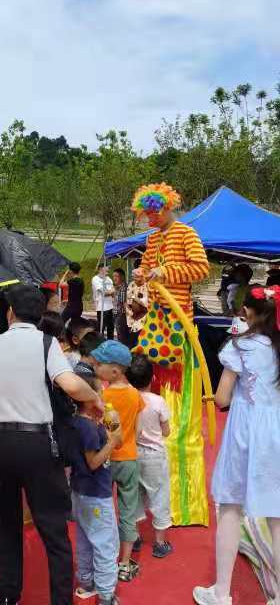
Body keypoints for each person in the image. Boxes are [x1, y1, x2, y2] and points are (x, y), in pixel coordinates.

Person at [0, 284, 104, 605]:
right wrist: (94, 398)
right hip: (37, 442)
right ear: (40, 313)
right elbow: (68, 383)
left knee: (8, 522)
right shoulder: (46, 342)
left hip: (2, 440)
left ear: (10, 311)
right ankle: (60, 600)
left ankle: (8, 594)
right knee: (53, 528)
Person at [193, 285, 280, 605]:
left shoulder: (241, 346)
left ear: (249, 312)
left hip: (245, 433)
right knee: (277, 515)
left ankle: (221, 592)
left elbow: (222, 398)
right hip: (277, 433)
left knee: (230, 509)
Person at [132, 182, 209, 527]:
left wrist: (168, 272)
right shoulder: (151, 240)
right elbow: (148, 273)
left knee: (180, 416)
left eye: (153, 212)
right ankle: (155, 501)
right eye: (146, 213)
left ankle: (183, 503)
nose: (149, 218)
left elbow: (201, 269)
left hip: (180, 328)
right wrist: (143, 274)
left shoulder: (186, 234)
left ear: (166, 208)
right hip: (157, 325)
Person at [91, 340, 144, 583]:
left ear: (115, 371)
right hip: (129, 458)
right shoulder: (135, 395)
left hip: (106, 457)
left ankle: (102, 557)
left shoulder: (102, 394)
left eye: (99, 364)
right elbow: (138, 429)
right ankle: (124, 562)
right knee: (127, 511)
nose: (95, 366)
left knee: (101, 508)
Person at [70, 368, 122, 605]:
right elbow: (93, 462)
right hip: (96, 495)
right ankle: (105, 594)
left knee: (84, 538)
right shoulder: (89, 429)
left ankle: (87, 581)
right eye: (100, 393)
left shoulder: (80, 423)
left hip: (80, 492)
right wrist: (111, 442)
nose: (103, 398)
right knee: (105, 544)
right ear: (88, 397)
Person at [126, 356, 172, 559]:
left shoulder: (128, 398)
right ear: (152, 378)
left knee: (133, 495)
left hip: (132, 453)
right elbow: (166, 431)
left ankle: (134, 537)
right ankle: (160, 542)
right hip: (154, 455)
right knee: (159, 494)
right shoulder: (158, 401)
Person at [125, 268, 149, 349]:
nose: (135, 279)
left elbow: (145, 303)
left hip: (144, 319)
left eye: (137, 277)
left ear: (143, 277)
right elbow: (127, 302)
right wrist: (129, 312)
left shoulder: (148, 286)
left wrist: (134, 297)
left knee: (141, 343)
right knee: (131, 343)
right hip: (131, 318)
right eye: (134, 277)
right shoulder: (131, 285)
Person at [91, 266, 115, 340]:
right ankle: (99, 343)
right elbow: (104, 293)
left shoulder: (109, 279)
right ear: (100, 269)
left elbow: (113, 290)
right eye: (106, 270)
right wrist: (111, 292)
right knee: (101, 328)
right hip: (101, 308)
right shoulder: (95, 279)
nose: (107, 272)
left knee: (111, 328)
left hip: (110, 306)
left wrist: (111, 292)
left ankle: (110, 343)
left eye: (108, 270)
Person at [112, 269, 128, 345]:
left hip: (121, 315)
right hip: (118, 314)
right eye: (113, 276)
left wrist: (128, 315)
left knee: (121, 335)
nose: (114, 278)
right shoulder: (118, 287)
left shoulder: (123, 288)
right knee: (120, 334)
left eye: (116, 276)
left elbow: (124, 303)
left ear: (122, 277)